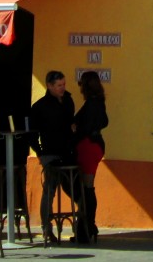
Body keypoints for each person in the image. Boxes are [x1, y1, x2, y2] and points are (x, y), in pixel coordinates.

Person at [29, 70, 76, 243]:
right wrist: (40, 152)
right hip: (50, 152)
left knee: (74, 188)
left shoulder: (68, 100)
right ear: (49, 86)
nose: (62, 88)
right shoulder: (40, 106)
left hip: (68, 151)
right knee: (49, 190)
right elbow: (32, 133)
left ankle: (80, 225)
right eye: (59, 86)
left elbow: (71, 122)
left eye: (64, 85)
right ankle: (46, 228)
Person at [73, 70, 108, 243]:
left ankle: (86, 228)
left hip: (87, 146)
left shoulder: (91, 104)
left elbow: (83, 126)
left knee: (86, 188)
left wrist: (75, 130)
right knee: (88, 187)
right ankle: (88, 227)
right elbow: (105, 122)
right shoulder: (99, 102)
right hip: (96, 145)